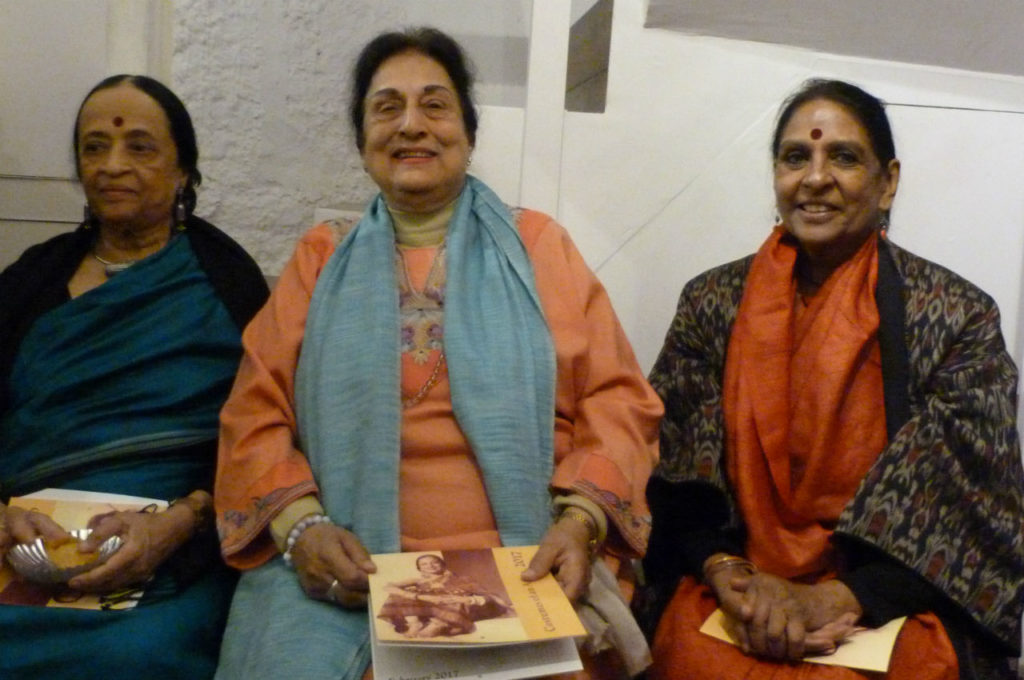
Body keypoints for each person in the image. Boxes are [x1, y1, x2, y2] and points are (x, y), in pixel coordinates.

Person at [214, 27, 661, 680]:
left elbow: (618, 398)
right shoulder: (320, 259)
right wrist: (303, 529)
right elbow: (253, 413)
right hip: (353, 569)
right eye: (387, 107)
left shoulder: (540, 249)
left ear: (468, 133)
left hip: (523, 558)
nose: (411, 125)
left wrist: (582, 521)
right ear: (364, 143)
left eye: (435, 104)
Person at [637, 79, 1024, 680]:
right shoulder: (711, 302)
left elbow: (967, 512)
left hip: (887, 601)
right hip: (736, 584)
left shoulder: (955, 316)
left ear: (887, 180)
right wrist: (722, 569)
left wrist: (837, 597)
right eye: (796, 157)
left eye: (842, 156)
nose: (815, 178)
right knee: (690, 656)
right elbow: (676, 476)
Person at [0, 74, 269, 679]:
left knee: (137, 655)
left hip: (179, 541)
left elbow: (265, 432)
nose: (112, 164)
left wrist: (184, 518)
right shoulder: (29, 282)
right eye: (94, 147)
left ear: (183, 171)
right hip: (25, 536)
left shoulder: (225, 281)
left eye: (139, 147)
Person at [377, 553, 511, 638]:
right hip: (429, 607)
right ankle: (414, 624)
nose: (430, 566)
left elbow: (488, 595)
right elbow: (388, 586)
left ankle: (437, 626)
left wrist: (468, 598)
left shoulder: (463, 579)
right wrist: (420, 597)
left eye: (434, 562)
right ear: (420, 569)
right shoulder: (418, 581)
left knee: (453, 600)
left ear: (443, 565)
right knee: (400, 595)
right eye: (424, 564)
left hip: (454, 606)